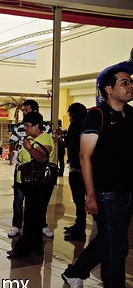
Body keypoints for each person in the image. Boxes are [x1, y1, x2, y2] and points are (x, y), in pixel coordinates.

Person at [62, 68, 133, 288]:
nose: (130, 86)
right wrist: (90, 195)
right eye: (124, 82)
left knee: (108, 240)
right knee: (117, 247)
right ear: (109, 88)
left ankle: (74, 273)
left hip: (127, 191)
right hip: (106, 193)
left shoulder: (131, 115)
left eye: (131, 82)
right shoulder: (97, 116)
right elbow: (84, 156)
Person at [7, 112, 55, 257]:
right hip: (29, 182)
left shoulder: (45, 138)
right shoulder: (29, 139)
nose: (26, 129)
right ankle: (35, 245)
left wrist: (29, 148)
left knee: (32, 216)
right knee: (34, 215)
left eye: (28, 126)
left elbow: (41, 158)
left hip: (40, 183)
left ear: (37, 126)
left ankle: (24, 248)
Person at [62, 102, 88, 241]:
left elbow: (71, 143)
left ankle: (80, 230)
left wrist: (64, 136)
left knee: (79, 200)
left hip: (77, 168)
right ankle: (79, 225)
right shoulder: (89, 122)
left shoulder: (76, 124)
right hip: (87, 168)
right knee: (82, 200)